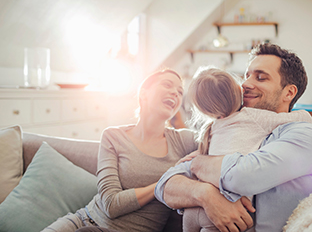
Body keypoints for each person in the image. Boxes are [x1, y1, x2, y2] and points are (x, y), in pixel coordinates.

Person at [155, 43, 312, 232]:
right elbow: (164, 186)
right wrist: (205, 194)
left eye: (260, 77)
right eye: (246, 75)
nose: (245, 84)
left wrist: (198, 164)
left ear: (289, 92)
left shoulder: (305, 135)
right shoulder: (232, 125)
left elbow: (242, 176)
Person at [42, 69, 198, 232]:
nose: (175, 93)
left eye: (180, 92)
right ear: (143, 93)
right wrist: (163, 183)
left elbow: (220, 140)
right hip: (81, 220)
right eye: (167, 85)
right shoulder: (113, 136)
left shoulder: (183, 141)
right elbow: (110, 205)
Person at [181, 66, 312, 232]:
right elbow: (302, 118)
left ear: (202, 108)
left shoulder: (211, 129)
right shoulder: (251, 116)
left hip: (193, 210)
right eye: (247, 77)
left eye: (260, 77)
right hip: (229, 207)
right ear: (239, 90)